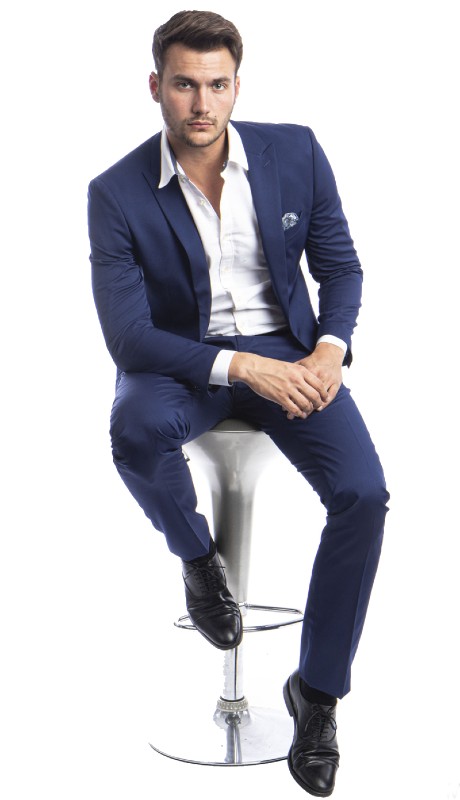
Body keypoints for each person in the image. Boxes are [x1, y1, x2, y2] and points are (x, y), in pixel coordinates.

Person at [88, 10, 389, 796]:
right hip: (182, 361)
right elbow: (128, 337)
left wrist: (330, 348)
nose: (202, 104)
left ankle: (316, 695)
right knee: (134, 428)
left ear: (237, 86)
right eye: (184, 85)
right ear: (156, 87)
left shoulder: (296, 151)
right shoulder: (115, 192)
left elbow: (341, 267)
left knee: (364, 493)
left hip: (291, 355)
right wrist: (241, 368)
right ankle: (198, 561)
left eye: (217, 85)